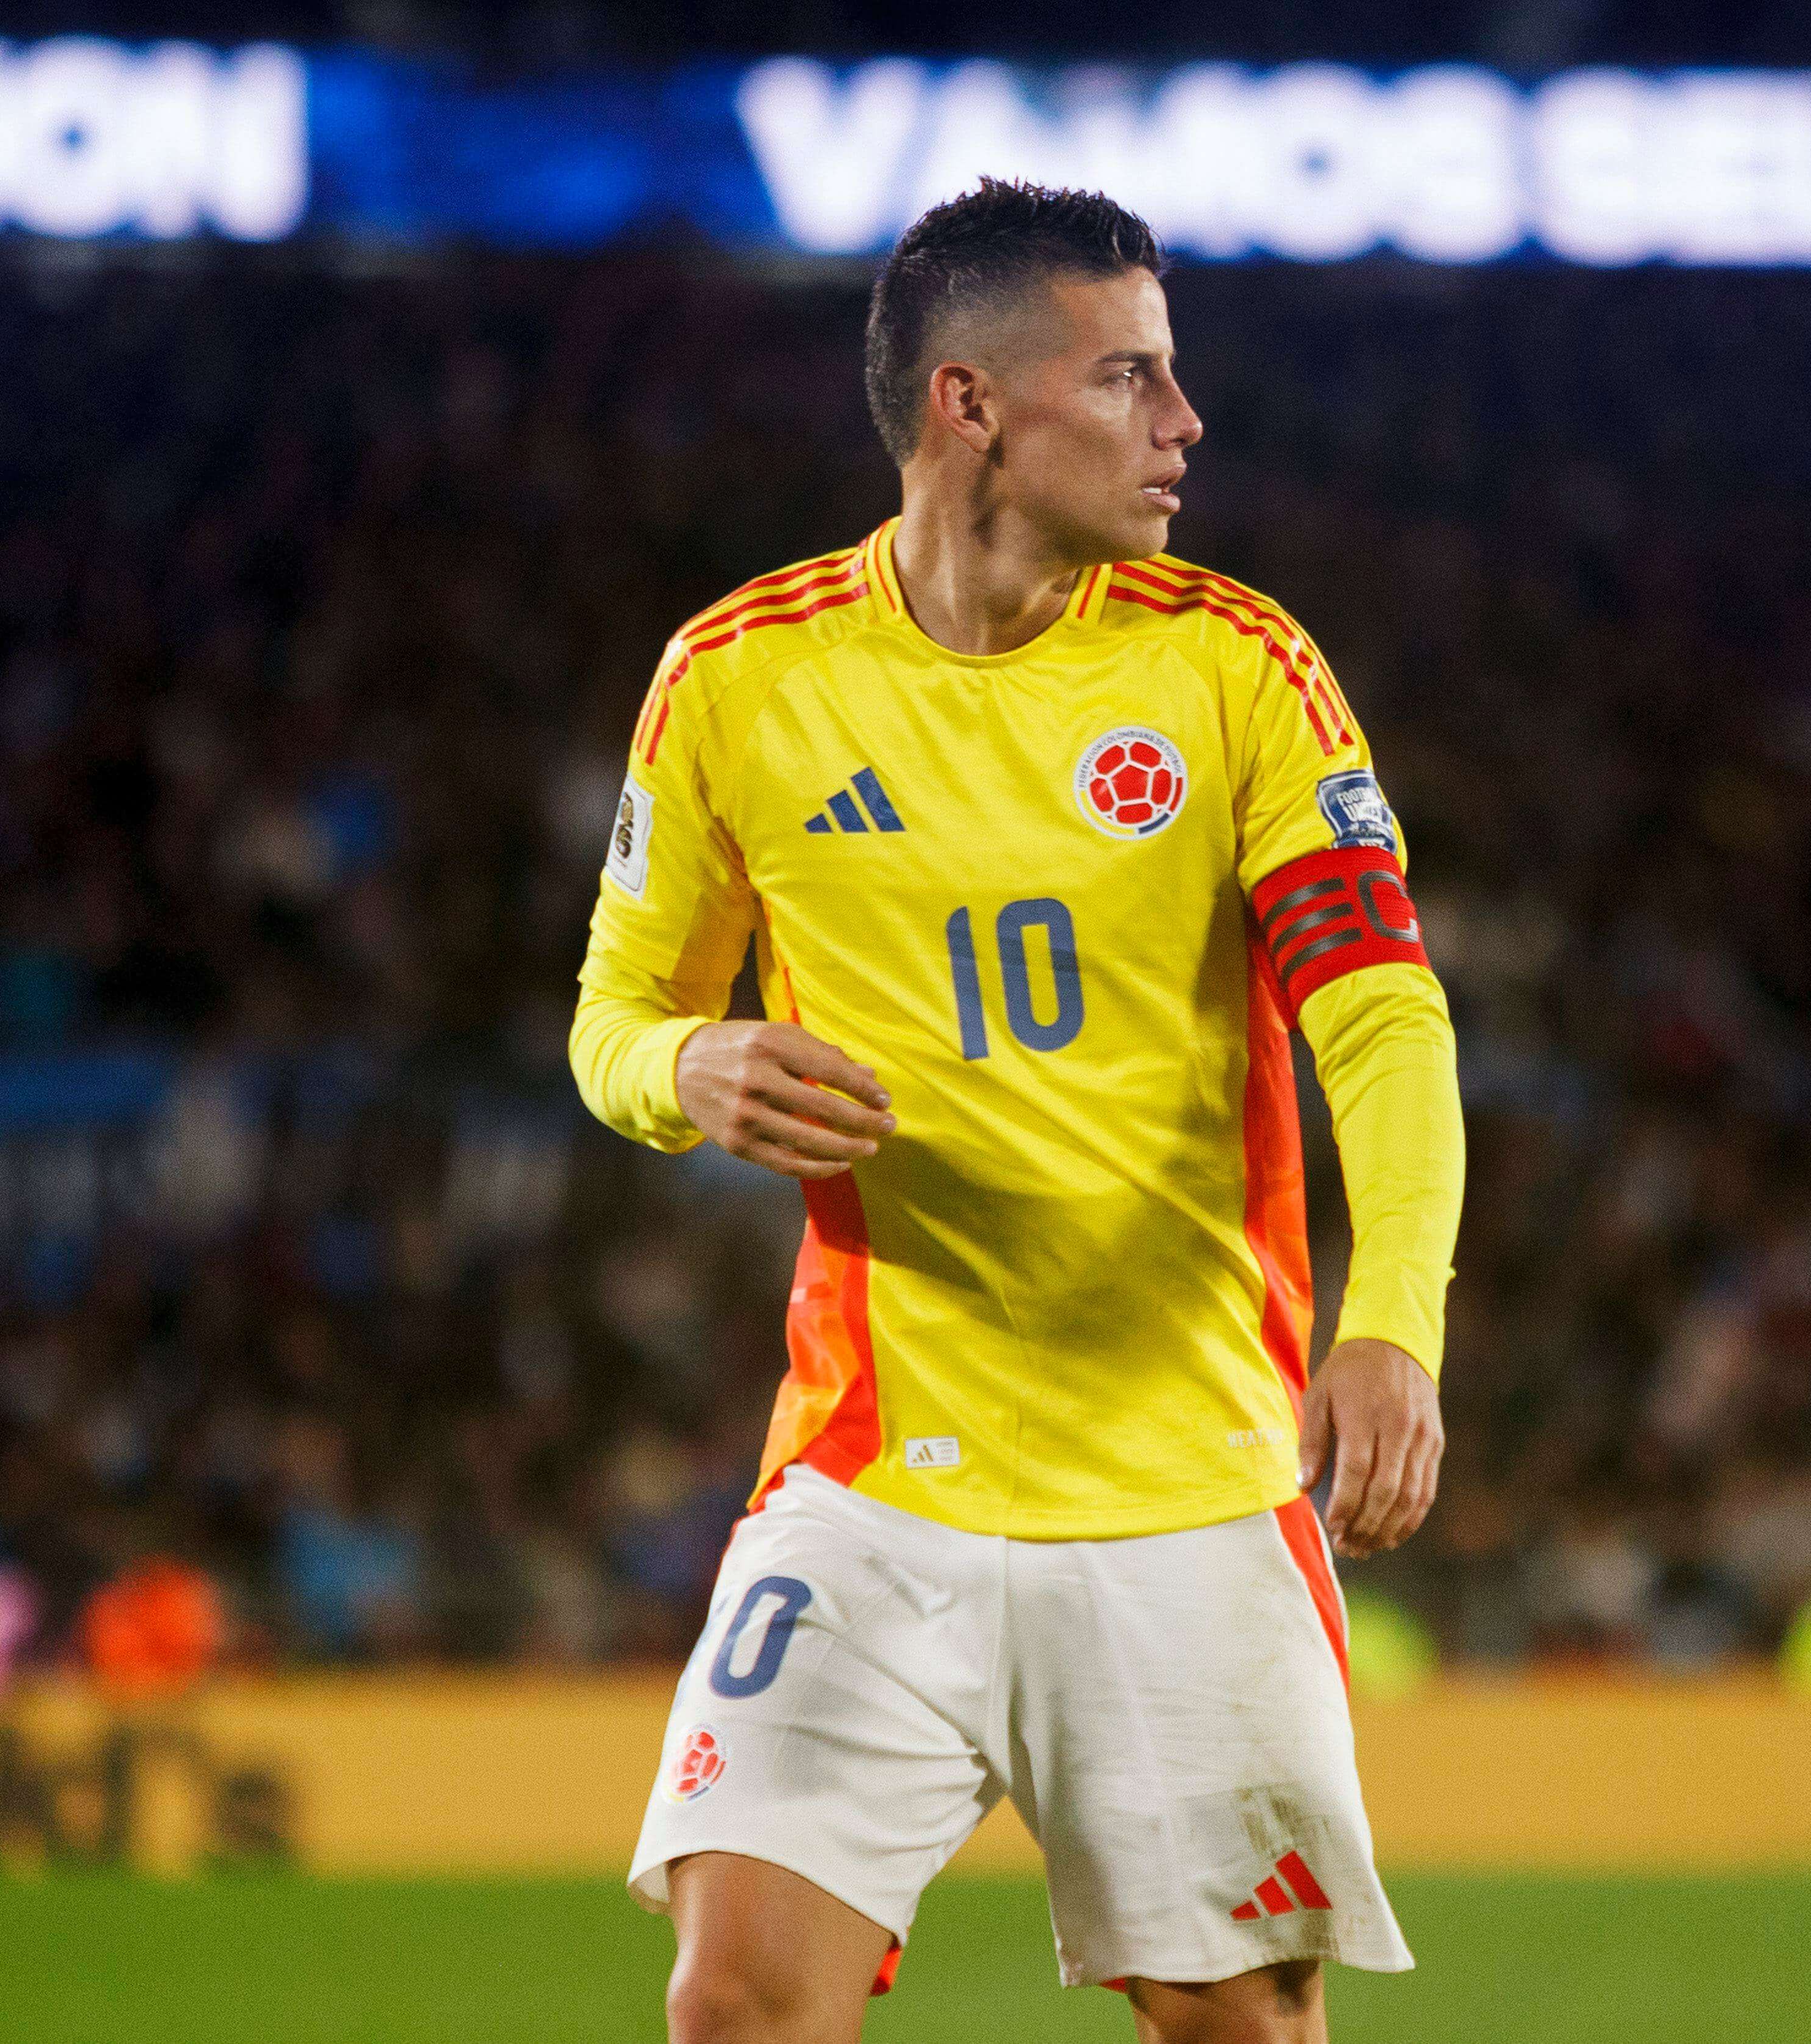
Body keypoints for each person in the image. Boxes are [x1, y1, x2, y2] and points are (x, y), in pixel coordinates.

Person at [569, 179, 1466, 2044]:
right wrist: (692, 1068)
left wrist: (1392, 1326)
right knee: (734, 2001)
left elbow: (1380, 1021)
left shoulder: (1236, 670)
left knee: (1239, 2028)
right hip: (875, 1475)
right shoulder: (741, 679)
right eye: (1129, 378)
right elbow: (613, 1022)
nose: (1183, 425)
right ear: (969, 405)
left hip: (1187, 1488)